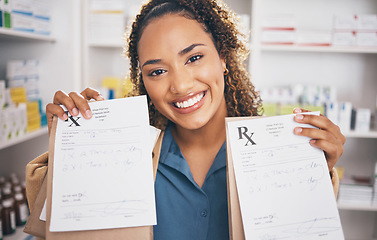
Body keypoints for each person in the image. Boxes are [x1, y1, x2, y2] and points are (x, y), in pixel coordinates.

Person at [26, 0, 345, 239]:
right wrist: (72, 154)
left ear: (222, 55)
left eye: (194, 58)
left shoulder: (270, 156)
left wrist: (316, 170)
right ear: (143, 82)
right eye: (157, 71)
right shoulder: (130, 158)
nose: (179, 85)